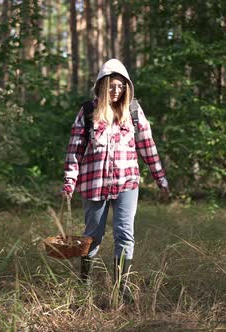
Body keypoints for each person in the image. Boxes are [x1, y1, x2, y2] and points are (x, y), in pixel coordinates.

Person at [61, 58, 169, 299]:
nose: (116, 91)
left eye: (121, 87)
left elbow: (147, 146)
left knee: (125, 234)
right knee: (92, 236)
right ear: (102, 84)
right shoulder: (87, 111)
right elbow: (74, 150)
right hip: (93, 183)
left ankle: (122, 288)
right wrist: (69, 182)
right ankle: (84, 285)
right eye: (112, 85)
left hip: (126, 183)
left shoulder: (133, 111)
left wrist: (160, 179)